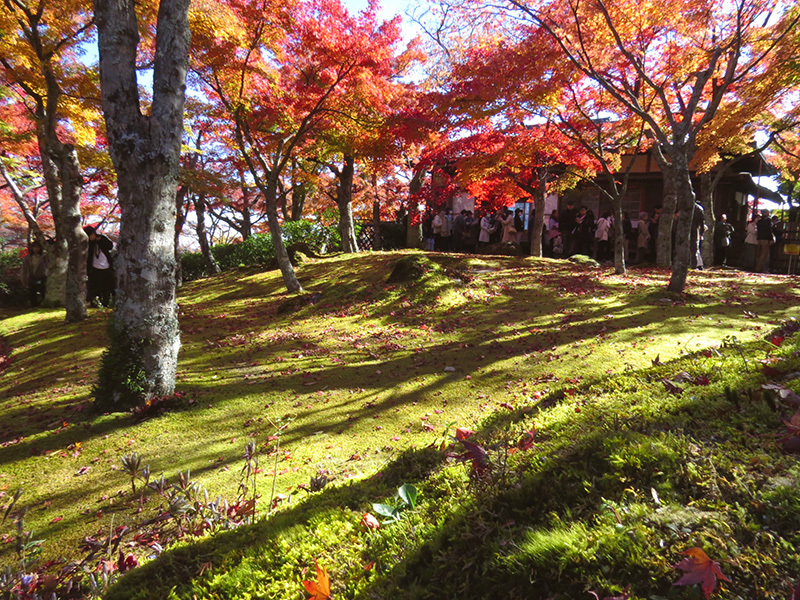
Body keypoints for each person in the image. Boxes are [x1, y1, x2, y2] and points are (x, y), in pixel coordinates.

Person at [84, 225, 116, 307]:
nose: (92, 236)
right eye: (90, 235)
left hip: (106, 266)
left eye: (93, 234)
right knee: (94, 287)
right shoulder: (87, 243)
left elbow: (110, 246)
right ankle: (94, 303)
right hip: (94, 268)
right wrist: (91, 242)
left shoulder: (101, 238)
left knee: (108, 286)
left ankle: (106, 303)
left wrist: (100, 241)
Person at [21, 240, 48, 307]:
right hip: (32, 276)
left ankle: (44, 304)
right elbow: (24, 269)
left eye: (38, 247)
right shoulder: (28, 257)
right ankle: (34, 305)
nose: (36, 248)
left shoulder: (44, 256)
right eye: (34, 247)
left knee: (43, 291)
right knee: (32, 292)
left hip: (42, 276)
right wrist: (24, 280)